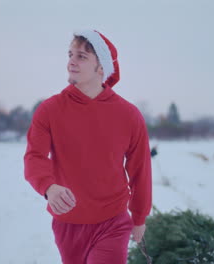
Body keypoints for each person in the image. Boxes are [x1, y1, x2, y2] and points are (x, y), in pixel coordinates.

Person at [23, 29, 152, 264]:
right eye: (70, 54)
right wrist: (49, 187)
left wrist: (139, 216)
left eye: (82, 56)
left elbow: (139, 169)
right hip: (67, 223)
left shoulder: (129, 115)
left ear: (101, 68)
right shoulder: (49, 110)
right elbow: (34, 156)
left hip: (113, 220)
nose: (71, 61)